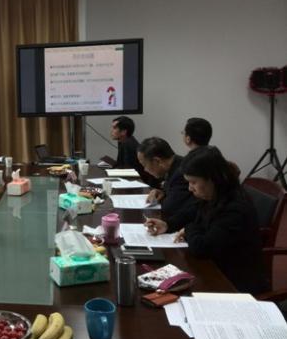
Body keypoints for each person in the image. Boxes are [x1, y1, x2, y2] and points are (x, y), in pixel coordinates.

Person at [144, 146, 267, 295]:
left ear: (212, 179)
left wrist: (189, 229)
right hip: (215, 267)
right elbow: (192, 210)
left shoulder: (235, 208)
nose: (190, 188)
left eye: (193, 182)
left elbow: (202, 248)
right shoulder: (217, 193)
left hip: (234, 282)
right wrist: (168, 225)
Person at [137, 137, 198, 224]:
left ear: (157, 161)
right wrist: (162, 192)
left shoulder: (181, 173)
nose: (145, 170)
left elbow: (169, 208)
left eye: (144, 165)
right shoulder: (175, 164)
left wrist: (163, 197)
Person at [110, 116, 158, 187]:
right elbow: (121, 164)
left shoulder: (128, 144)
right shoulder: (124, 141)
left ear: (123, 132)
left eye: (114, 128)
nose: (111, 131)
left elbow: (128, 170)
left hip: (140, 183)